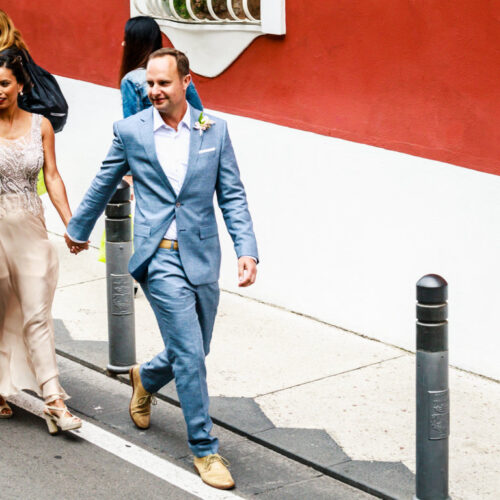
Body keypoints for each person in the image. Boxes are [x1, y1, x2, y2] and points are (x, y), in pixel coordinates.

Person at [65, 48, 258, 489]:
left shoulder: (214, 130)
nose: (153, 91)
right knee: (190, 354)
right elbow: (104, 179)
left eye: (163, 83)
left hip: (203, 255)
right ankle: (205, 450)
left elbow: (232, 195)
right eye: (148, 84)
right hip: (159, 256)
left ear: (186, 81)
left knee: (195, 349)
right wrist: (79, 228)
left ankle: (144, 377)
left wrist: (247, 249)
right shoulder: (130, 131)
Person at [0, 52, 83, 432]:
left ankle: (54, 400)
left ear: (20, 85)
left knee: (36, 313)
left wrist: (72, 223)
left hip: (32, 229)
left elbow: (51, 176)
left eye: (3, 83)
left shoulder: (42, 126)